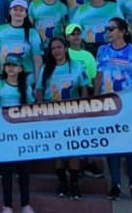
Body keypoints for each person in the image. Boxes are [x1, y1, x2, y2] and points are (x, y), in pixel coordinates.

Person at [94, 18, 132, 201]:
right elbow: (98, 76)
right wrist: (94, 99)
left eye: (112, 29)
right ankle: (115, 183)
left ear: (122, 31)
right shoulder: (102, 50)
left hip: (129, 103)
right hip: (108, 102)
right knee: (113, 144)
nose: (108, 31)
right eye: (107, 28)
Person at [37, 36, 91, 198]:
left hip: (72, 113)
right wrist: (41, 109)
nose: (56, 51)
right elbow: (39, 90)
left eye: (59, 47)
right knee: (58, 149)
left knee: (73, 148)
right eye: (53, 49)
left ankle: (74, 183)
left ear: (65, 48)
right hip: (52, 113)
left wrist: (83, 107)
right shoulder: (46, 68)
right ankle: (62, 182)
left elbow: (84, 87)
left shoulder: (76, 66)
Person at [0, 54, 37, 213]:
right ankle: (7, 206)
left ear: (20, 69)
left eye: (14, 65)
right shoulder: (0, 85)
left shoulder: (26, 88)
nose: (10, 68)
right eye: (7, 65)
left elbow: (31, 108)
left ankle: (26, 206)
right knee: (7, 171)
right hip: (5, 135)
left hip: (22, 134)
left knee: (24, 171)